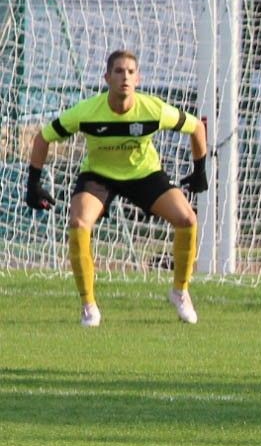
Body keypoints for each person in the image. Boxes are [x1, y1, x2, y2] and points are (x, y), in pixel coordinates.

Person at [25, 49, 209, 327]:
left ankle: (180, 292)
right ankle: (89, 306)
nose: (125, 77)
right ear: (107, 78)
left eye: (131, 72)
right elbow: (43, 137)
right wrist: (33, 183)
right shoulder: (87, 112)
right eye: (119, 71)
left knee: (187, 219)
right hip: (99, 175)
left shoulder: (153, 109)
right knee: (78, 223)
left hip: (144, 174)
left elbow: (196, 128)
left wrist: (199, 172)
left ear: (138, 79)